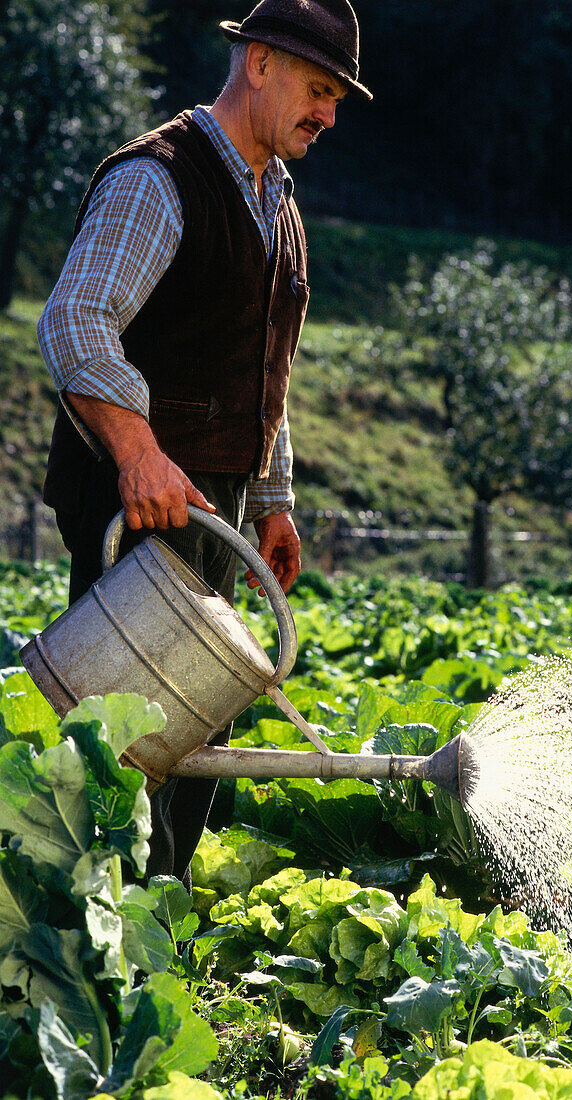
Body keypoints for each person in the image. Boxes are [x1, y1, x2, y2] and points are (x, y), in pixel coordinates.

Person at [36, 0, 372, 889]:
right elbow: (76, 320)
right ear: (258, 63)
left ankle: (156, 929)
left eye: (337, 97)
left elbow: (268, 371)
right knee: (125, 739)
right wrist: (138, 449)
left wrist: (273, 501)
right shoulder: (161, 178)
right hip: (136, 501)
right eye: (317, 88)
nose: (329, 115)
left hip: (217, 509)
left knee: (195, 728)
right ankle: (84, 930)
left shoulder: (280, 202)